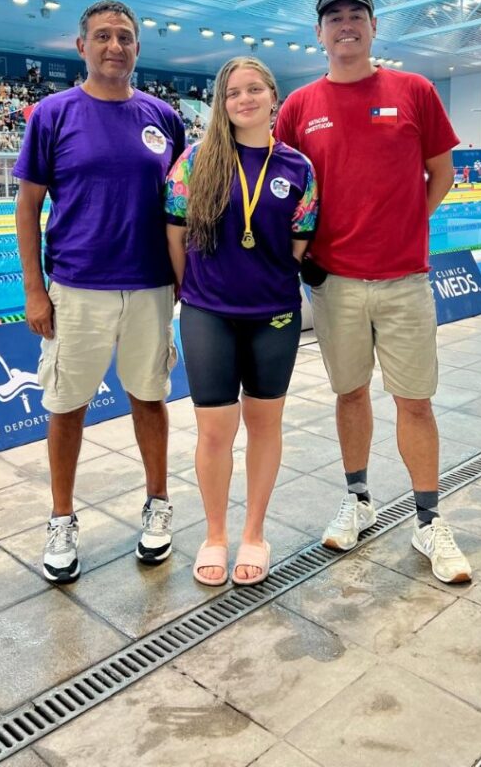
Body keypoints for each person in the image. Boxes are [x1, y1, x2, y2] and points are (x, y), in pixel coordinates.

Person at [276, 0, 472, 585]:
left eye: (356, 14)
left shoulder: (414, 91)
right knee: (350, 394)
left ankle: (429, 521)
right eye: (334, 17)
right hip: (334, 283)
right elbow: (282, 189)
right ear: (319, 33)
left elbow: (441, 172)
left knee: (415, 401)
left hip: (404, 280)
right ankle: (358, 499)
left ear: (373, 26)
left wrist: (410, 222)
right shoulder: (299, 107)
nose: (346, 24)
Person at [13, 0, 186, 584]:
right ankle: (61, 519)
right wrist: (35, 291)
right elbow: (28, 207)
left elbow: (181, 207)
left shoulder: (163, 117)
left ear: (138, 47)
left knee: (149, 398)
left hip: (150, 286)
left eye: (126, 37)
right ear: (81, 45)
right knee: (66, 406)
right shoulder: (53, 114)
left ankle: (158, 505)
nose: (115, 46)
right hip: (77, 288)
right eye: (104, 36)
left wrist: (186, 278)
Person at [165, 56, 317, 587]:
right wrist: (196, 292)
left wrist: (265, 281)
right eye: (232, 93)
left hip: (273, 314)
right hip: (207, 312)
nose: (244, 99)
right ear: (221, 103)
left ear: (273, 96)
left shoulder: (297, 167)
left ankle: (254, 533)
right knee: (214, 430)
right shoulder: (195, 161)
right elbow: (175, 237)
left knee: (264, 423)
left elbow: (299, 243)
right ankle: (215, 535)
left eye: (254, 89)